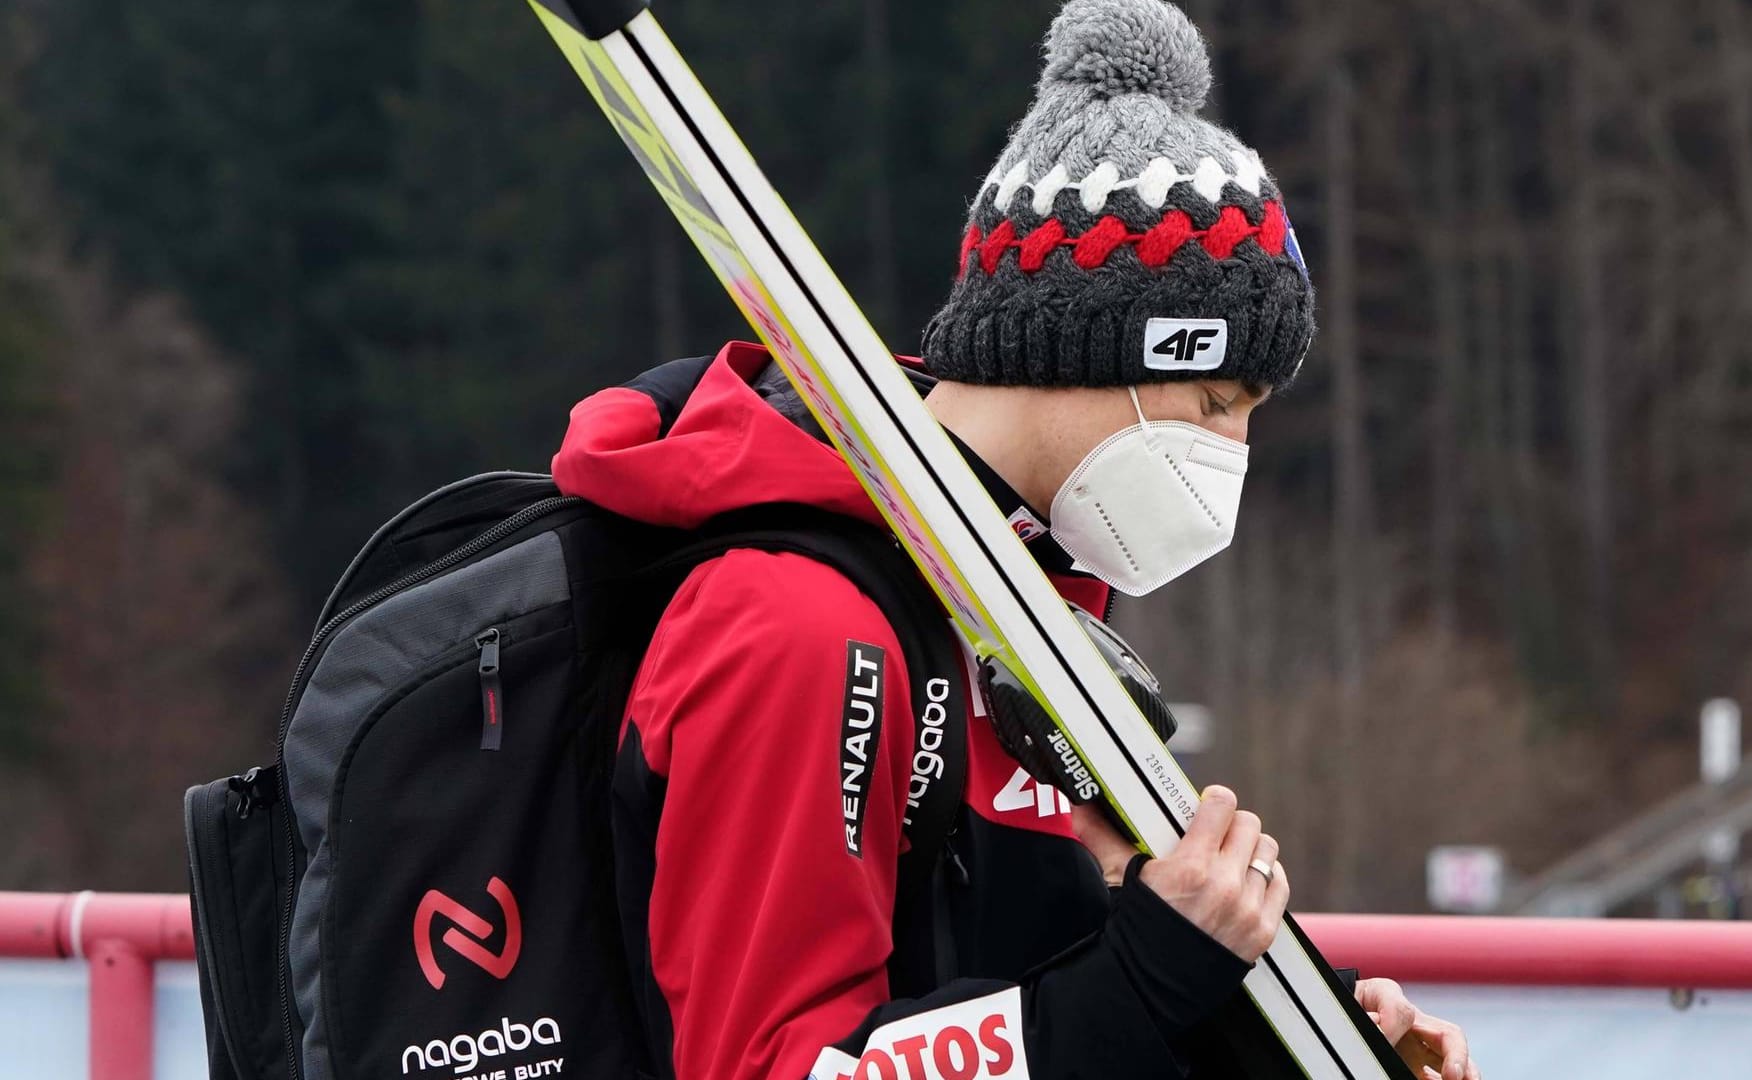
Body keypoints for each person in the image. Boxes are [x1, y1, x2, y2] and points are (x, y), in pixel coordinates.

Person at [550, 1, 1480, 1078]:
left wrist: (1271, 1035)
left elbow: (1036, 995)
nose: (1232, 455)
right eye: (1218, 400)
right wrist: (1147, 974)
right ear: (1092, 348)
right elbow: (774, 1064)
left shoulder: (1030, 622)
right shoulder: (798, 627)